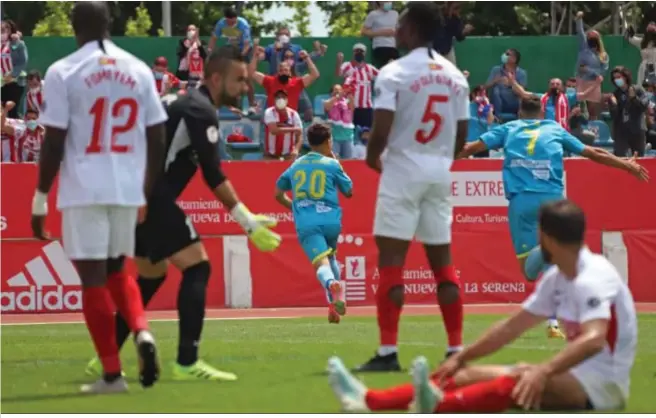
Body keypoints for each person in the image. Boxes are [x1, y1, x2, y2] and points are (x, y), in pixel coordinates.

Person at [327, 200, 638, 413]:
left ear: (546, 236)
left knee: (517, 378)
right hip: (573, 376)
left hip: (603, 387)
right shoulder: (557, 277)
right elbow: (510, 328)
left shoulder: (593, 276)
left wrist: (544, 370)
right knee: (461, 376)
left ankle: (437, 408)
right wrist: (461, 357)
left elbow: (595, 338)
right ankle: (368, 400)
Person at [85, 45, 282, 382]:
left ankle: (105, 354)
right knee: (198, 266)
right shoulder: (200, 109)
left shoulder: (182, 100)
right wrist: (247, 222)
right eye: (239, 80)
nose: (246, 88)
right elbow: (212, 173)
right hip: (148, 197)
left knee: (152, 274)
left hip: (125, 194)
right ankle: (187, 362)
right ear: (216, 78)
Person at [30, 1, 167, 394]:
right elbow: (156, 133)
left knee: (92, 278)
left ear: (74, 26)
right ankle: (141, 330)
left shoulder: (63, 71)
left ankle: (112, 374)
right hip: (125, 186)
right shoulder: (138, 69)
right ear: (111, 24)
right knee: (119, 270)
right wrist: (146, 188)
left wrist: (40, 197)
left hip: (84, 185)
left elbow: (54, 140)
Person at [458, 97, 649, 337]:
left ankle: (550, 255)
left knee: (528, 272)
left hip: (522, 202)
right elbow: (592, 152)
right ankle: (553, 320)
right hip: (553, 199)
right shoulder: (554, 128)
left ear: (518, 112)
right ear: (542, 112)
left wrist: (439, 160)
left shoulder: (509, 128)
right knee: (551, 263)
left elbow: (470, 148)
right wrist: (624, 164)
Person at [354, 2, 469, 372]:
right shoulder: (456, 75)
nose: (395, 31)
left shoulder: (394, 72)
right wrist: (441, 160)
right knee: (444, 265)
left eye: (400, 26)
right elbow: (462, 134)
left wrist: (373, 158)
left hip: (403, 168)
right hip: (438, 171)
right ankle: (455, 350)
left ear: (414, 30)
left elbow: (382, 128)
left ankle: (388, 352)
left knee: (391, 264)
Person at [274, 123, 353, 323]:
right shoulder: (332, 164)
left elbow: (278, 193)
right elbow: (349, 191)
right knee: (332, 257)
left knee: (321, 264)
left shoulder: (296, 165)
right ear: (328, 142)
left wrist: (295, 207)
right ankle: (335, 304)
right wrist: (336, 161)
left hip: (308, 223)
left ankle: (331, 283)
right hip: (331, 221)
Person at [250, 40, 320, 111]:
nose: (283, 72)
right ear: (278, 71)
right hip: (273, 119)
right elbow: (251, 72)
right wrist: (255, 56)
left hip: (290, 120)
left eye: (286, 70)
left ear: (290, 72)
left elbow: (315, 75)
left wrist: (307, 58)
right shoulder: (270, 81)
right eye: (281, 70)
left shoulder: (297, 83)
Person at [210, 8, 256, 113]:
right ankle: (231, 104)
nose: (233, 23)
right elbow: (214, 38)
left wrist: (240, 57)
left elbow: (247, 44)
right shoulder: (221, 24)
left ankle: (252, 104)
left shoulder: (243, 24)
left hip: (244, 50)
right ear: (226, 19)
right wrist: (209, 51)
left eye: (234, 21)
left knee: (247, 77)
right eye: (230, 22)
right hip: (231, 49)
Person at [335, 44, 379, 138]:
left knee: (367, 134)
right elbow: (338, 74)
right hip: (351, 107)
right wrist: (339, 61)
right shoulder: (347, 65)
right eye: (357, 51)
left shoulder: (370, 68)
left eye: (361, 51)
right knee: (351, 134)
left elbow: (381, 76)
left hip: (366, 108)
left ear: (365, 53)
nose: (359, 53)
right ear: (353, 53)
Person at [607, 65, 649, 157]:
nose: (617, 80)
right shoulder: (615, 95)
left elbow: (644, 106)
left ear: (625, 77)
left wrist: (634, 98)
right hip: (621, 131)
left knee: (638, 158)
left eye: (619, 77)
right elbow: (614, 116)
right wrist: (614, 105)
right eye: (614, 78)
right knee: (620, 157)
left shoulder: (638, 90)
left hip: (637, 130)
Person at [575, 11, 609, 121]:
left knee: (592, 112)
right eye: (589, 35)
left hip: (594, 84)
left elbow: (603, 71)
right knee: (579, 111)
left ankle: (593, 132)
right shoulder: (584, 47)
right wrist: (579, 19)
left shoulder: (603, 55)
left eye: (594, 35)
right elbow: (580, 32)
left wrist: (588, 70)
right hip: (581, 81)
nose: (590, 36)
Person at [263, 89, 303, 160]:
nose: (280, 99)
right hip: (271, 156)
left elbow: (299, 135)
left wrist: (296, 149)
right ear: (274, 100)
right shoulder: (269, 112)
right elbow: (274, 130)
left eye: (283, 97)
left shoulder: (294, 114)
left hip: (288, 156)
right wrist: (294, 129)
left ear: (287, 100)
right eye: (278, 97)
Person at [486, 48, 527, 117]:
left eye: (507, 54)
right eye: (505, 53)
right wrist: (495, 81)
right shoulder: (496, 70)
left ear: (514, 59)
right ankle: (497, 117)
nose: (504, 55)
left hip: (514, 103)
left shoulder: (521, 73)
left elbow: (522, 93)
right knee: (496, 89)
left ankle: (519, 116)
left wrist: (511, 84)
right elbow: (485, 87)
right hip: (498, 104)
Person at [432, 2, 474, 66]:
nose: (458, 10)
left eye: (459, 8)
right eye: (456, 8)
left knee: (452, 70)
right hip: (435, 49)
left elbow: (459, 37)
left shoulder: (455, 19)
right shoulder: (436, 14)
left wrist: (465, 31)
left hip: (447, 50)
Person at [1, 20, 28, 119]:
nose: (2, 32)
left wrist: (12, 74)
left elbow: (22, 62)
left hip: (15, 82)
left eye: (5, 29)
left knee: (11, 109)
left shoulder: (17, 44)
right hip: (1, 82)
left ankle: (16, 132)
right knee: (2, 110)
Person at [361, 2, 400, 69]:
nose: (389, 2)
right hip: (380, 47)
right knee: (385, 68)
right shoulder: (373, 14)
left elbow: (399, 29)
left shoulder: (395, 14)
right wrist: (381, 33)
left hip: (393, 47)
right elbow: (363, 31)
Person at [324, 83, 355, 159]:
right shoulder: (327, 102)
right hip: (334, 138)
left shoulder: (347, 102)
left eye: (340, 90)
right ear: (331, 93)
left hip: (348, 137)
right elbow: (327, 107)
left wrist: (349, 92)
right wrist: (338, 96)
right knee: (333, 161)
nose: (338, 91)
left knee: (348, 162)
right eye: (335, 90)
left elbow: (352, 107)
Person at [176, 24, 207, 89]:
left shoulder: (200, 43)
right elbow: (180, 53)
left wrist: (196, 40)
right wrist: (189, 45)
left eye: (193, 30)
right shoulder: (183, 42)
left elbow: (204, 55)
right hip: (187, 74)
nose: (191, 31)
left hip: (199, 73)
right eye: (189, 30)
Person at [625, 22, 656, 86]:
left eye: (652, 31)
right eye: (649, 31)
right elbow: (630, 38)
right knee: (643, 86)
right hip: (644, 68)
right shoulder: (641, 42)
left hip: (654, 67)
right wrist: (629, 31)